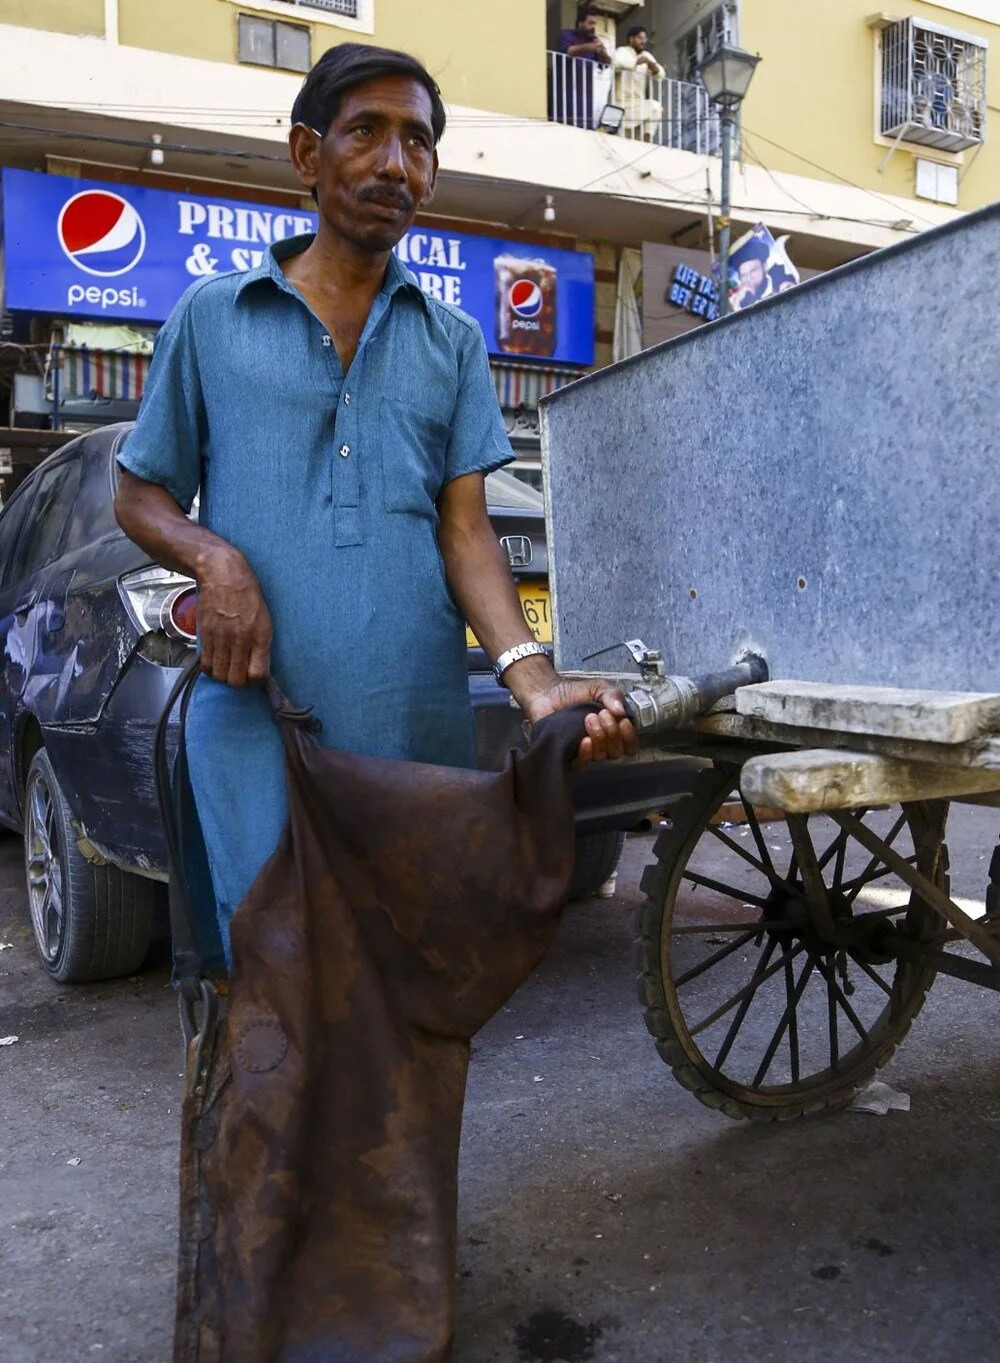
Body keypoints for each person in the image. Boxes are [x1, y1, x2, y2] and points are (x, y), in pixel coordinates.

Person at [114, 43, 636, 963]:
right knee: (272, 995)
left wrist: (533, 679)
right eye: (367, 132)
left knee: (401, 990)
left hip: (411, 735)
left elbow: (465, 530)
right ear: (307, 155)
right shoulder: (213, 316)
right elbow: (138, 492)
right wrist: (214, 558)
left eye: (418, 142)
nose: (396, 162)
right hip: (255, 731)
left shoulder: (454, 341)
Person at [554, 4, 612, 130]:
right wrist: (588, 47)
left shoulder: (593, 40)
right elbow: (567, 51)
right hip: (567, 91)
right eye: (590, 23)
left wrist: (602, 50)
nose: (593, 27)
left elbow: (606, 64)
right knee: (567, 127)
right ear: (580, 22)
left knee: (585, 128)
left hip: (585, 95)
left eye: (594, 23)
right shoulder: (566, 35)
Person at [613, 26, 665, 141]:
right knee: (619, 141)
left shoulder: (646, 55)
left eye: (644, 38)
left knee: (656, 107)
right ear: (631, 39)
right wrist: (635, 62)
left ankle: (647, 138)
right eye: (640, 38)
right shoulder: (622, 51)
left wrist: (652, 66)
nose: (643, 41)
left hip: (637, 103)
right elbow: (615, 64)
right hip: (620, 103)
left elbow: (660, 74)